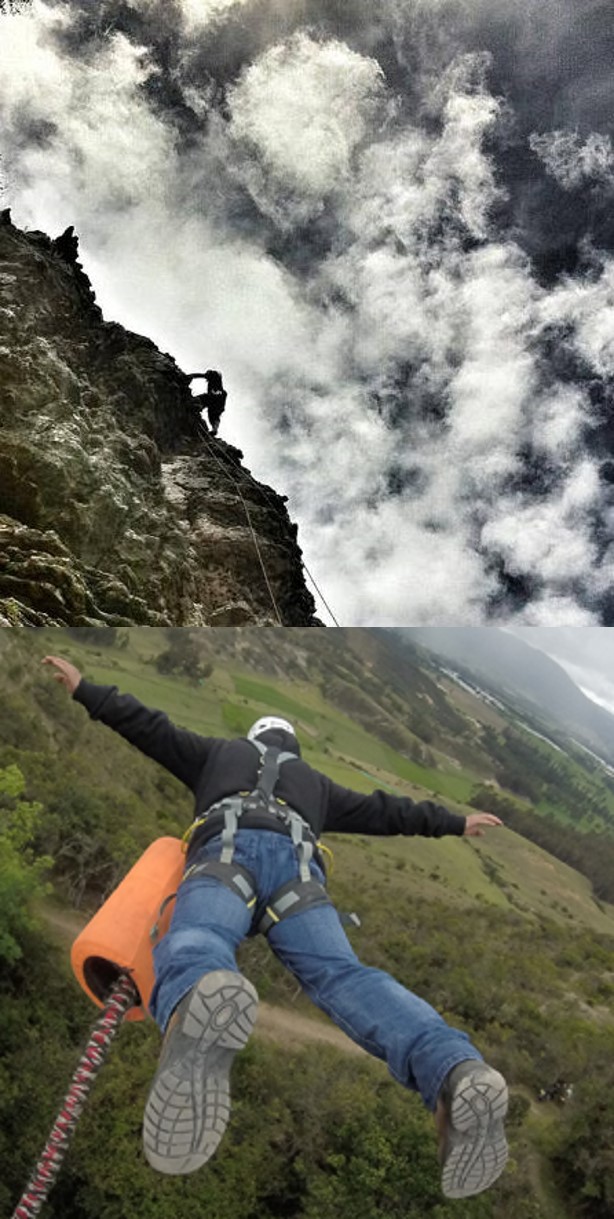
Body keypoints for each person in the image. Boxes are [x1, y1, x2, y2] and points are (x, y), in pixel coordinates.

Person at [43, 655, 509, 1199]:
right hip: (301, 876)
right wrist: (455, 822)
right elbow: (389, 812)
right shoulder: (317, 785)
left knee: (202, 942)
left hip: (227, 853)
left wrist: (85, 690)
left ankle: (202, 993)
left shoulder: (219, 754)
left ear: (254, 739)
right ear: (294, 750)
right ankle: (455, 1072)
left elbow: (151, 728)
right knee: (345, 977)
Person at [186, 370, 227, 436]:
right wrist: (191, 376)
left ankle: (198, 406)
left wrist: (190, 376)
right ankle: (215, 429)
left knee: (206, 400)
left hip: (216, 399)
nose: (206, 379)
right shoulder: (215, 380)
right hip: (219, 403)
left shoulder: (215, 380)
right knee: (214, 415)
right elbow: (201, 375)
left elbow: (201, 375)